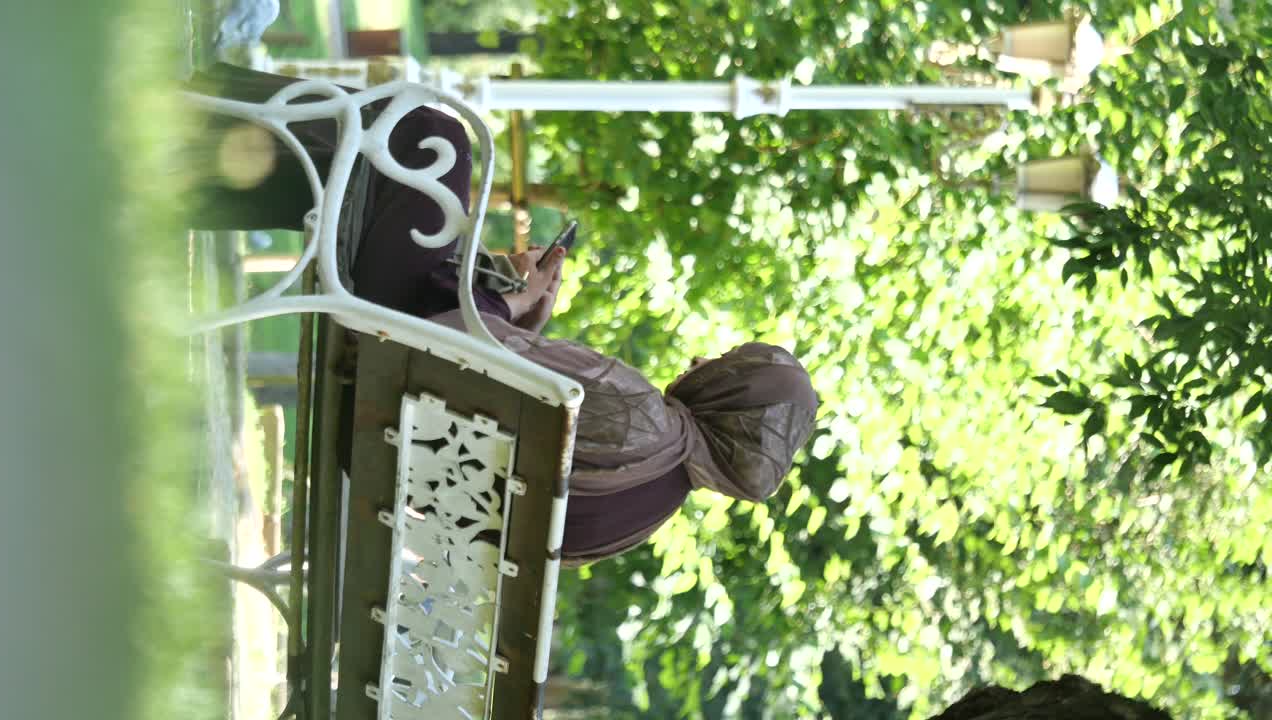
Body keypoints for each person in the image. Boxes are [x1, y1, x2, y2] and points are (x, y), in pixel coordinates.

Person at [184, 63, 819, 566]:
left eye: (723, 367)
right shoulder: (640, 520)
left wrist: (505, 300)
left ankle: (204, 123)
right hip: (376, 455)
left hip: (376, 367)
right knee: (388, 180)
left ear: (732, 401)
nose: (702, 360)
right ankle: (200, 162)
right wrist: (520, 323)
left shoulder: (639, 417)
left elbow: (440, 345)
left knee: (433, 141)